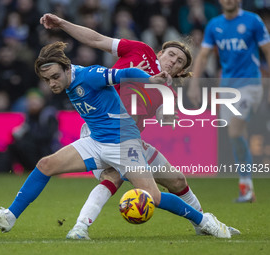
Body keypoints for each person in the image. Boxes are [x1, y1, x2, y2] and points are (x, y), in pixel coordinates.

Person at [0, 41, 233, 239]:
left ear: (67, 69)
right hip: (96, 140)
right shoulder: (67, 81)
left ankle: (205, 221)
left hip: (125, 144)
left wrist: (149, 80)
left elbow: (121, 74)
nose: (52, 83)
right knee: (46, 164)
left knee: (153, 197)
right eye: (47, 79)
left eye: (55, 77)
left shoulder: (89, 75)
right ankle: (9, 216)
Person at [40, 13, 240, 239]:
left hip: (129, 140)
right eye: (171, 55)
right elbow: (97, 40)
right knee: (112, 176)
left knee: (177, 180)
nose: (173, 61)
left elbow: (166, 119)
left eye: (179, 62)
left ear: (180, 73)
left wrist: (166, 110)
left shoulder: (168, 92)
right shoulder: (138, 50)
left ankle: (203, 223)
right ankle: (80, 227)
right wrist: (63, 24)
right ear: (160, 53)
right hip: (102, 132)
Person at [187, 0, 270, 203]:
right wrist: (194, 83)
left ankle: (247, 187)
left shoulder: (252, 21)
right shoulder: (214, 24)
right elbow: (203, 56)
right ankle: (246, 189)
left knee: (234, 130)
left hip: (250, 85)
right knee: (237, 135)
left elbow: (267, 50)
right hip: (226, 88)